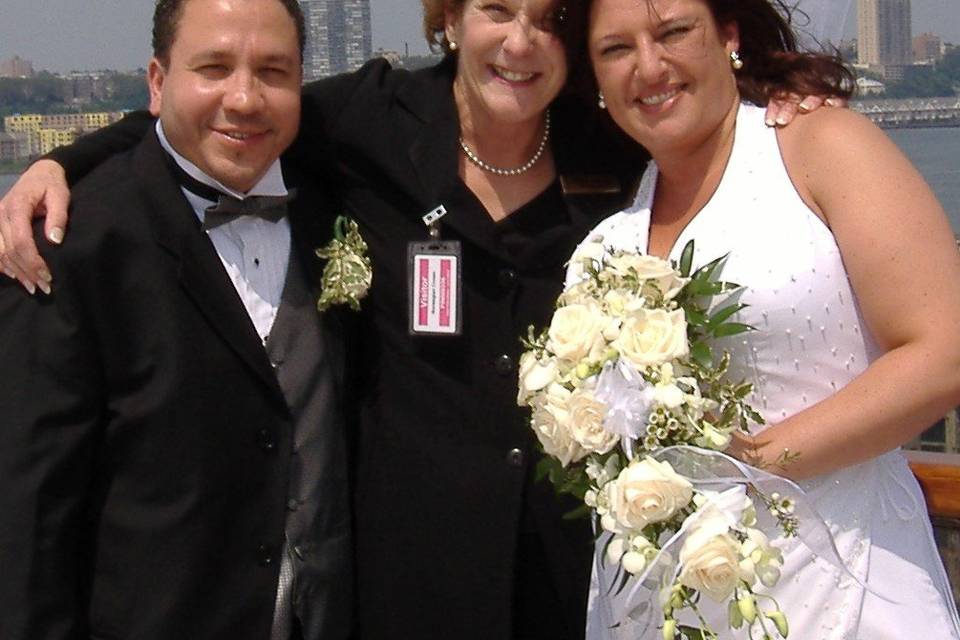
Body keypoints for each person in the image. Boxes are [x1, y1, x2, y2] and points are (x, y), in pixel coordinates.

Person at [0, 1, 828, 637]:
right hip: (406, 570)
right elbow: (223, 111)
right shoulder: (370, 121)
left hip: (574, 566)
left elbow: (695, 112)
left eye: (547, 20)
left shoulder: (603, 143)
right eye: (497, 11)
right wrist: (60, 160)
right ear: (450, 19)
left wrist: (771, 92)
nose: (520, 41)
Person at [564, 0, 960, 637]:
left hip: (848, 574)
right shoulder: (607, 244)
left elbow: (944, 351)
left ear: (729, 36)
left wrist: (748, 464)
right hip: (664, 603)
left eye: (674, 33)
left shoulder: (818, 146)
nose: (649, 65)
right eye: (616, 49)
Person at [0, 1, 353, 639]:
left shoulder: (341, 197)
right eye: (213, 67)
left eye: (273, 71)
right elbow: (29, 519)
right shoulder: (73, 246)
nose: (244, 98)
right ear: (158, 82)